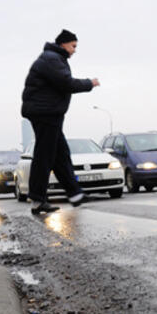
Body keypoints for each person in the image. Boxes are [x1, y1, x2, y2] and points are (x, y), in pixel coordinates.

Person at [21, 29, 100, 214]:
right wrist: (90, 83)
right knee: (45, 156)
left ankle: (74, 194)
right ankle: (38, 199)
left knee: (60, 155)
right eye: (73, 46)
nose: (74, 50)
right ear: (63, 44)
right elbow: (67, 83)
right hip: (45, 113)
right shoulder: (52, 58)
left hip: (48, 113)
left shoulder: (53, 58)